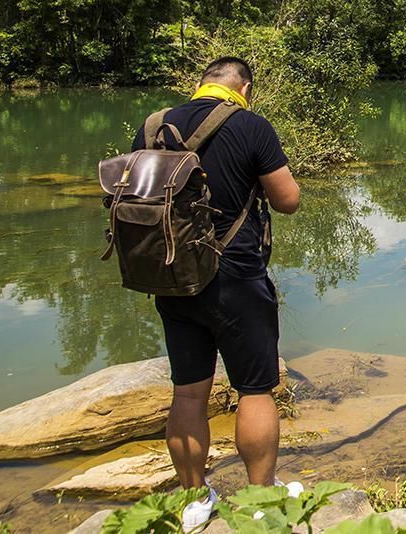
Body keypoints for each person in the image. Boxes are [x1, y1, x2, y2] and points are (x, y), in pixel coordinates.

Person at [131, 57, 302, 529]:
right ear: (244, 87)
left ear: (200, 85)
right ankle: (261, 498)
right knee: (255, 390)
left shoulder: (153, 126)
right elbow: (287, 201)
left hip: (171, 277)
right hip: (235, 278)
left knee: (188, 393)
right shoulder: (250, 125)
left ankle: (195, 500)